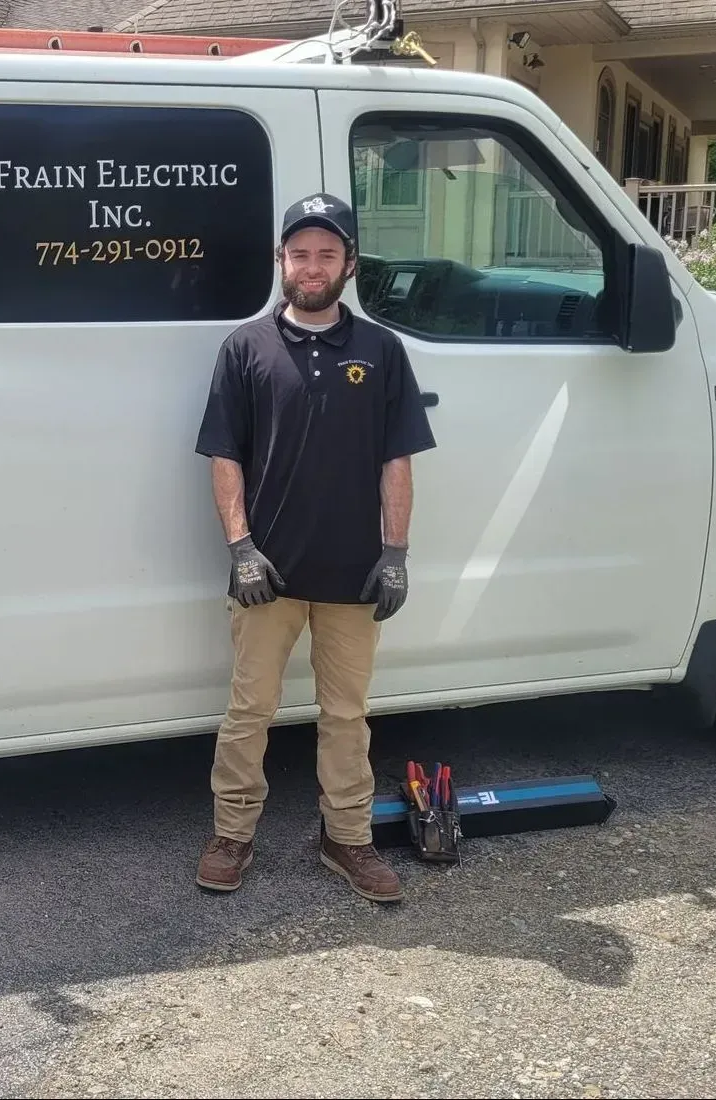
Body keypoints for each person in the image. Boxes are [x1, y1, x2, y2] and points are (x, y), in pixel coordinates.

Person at [193, 192, 436, 902]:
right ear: (281, 262)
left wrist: (395, 554)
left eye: (327, 253)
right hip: (265, 574)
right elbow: (224, 455)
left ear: (350, 265)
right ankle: (232, 835)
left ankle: (347, 840)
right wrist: (240, 545)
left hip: (353, 575)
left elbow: (398, 459)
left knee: (346, 716)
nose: (312, 265)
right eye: (300, 253)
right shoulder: (246, 348)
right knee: (248, 712)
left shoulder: (381, 351)